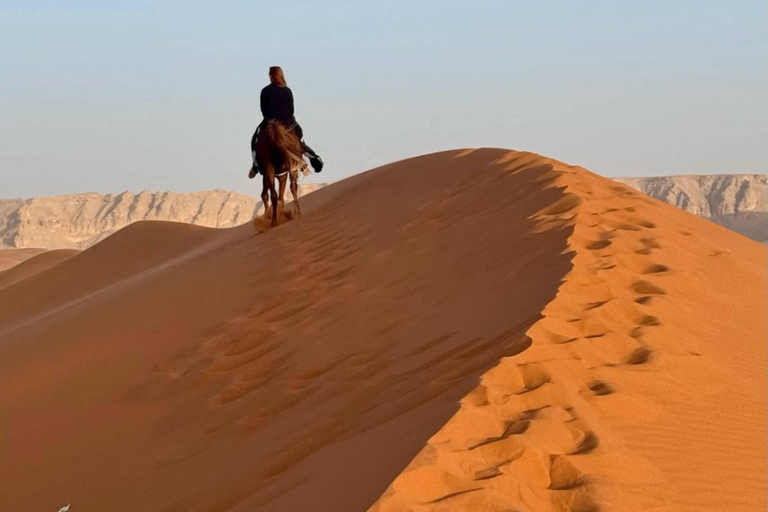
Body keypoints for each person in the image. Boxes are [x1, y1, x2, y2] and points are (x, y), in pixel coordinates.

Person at [249, 66, 323, 178]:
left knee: (255, 139)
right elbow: (291, 110)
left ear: (270, 76)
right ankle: (311, 158)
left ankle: (255, 166)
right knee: (299, 139)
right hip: (287, 122)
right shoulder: (287, 90)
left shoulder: (265, 91)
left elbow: (263, 110)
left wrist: (271, 120)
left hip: (270, 122)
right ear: (280, 76)